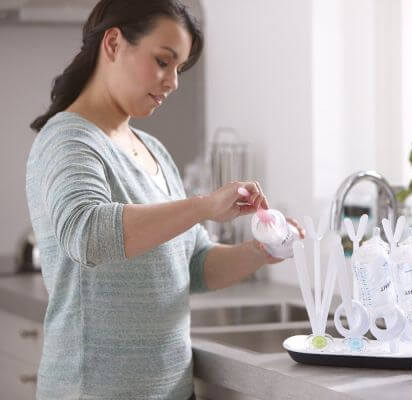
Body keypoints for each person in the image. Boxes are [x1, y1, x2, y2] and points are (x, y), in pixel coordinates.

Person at [26, 1, 304, 399]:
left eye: (179, 68)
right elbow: (86, 234)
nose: (172, 81)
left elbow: (194, 265)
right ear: (113, 44)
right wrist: (204, 205)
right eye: (162, 61)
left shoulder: (152, 150)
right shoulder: (69, 139)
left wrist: (262, 250)